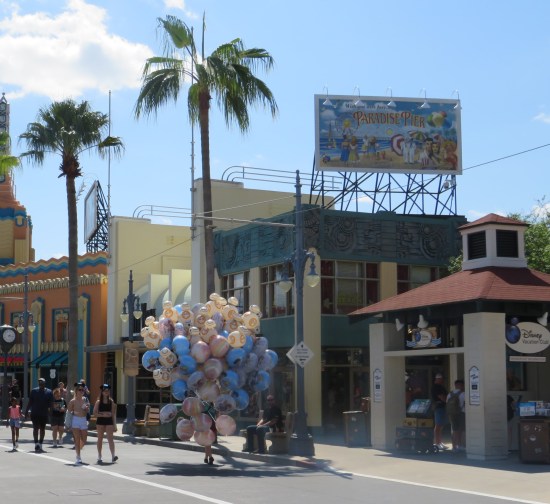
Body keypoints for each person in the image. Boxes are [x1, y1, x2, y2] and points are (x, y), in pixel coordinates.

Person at [25, 377, 53, 452]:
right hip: (35, 413)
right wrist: (26, 411)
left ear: (44, 383)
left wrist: (51, 414)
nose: (41, 384)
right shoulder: (34, 391)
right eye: (39, 382)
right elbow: (30, 402)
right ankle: (36, 443)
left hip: (44, 414)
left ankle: (40, 443)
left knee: (42, 429)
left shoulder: (49, 392)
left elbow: (51, 404)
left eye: (42, 382)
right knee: (35, 429)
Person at [93, 384, 118, 464]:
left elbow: (113, 414)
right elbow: (95, 413)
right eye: (105, 391)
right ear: (102, 392)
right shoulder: (98, 402)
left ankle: (113, 456)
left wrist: (115, 425)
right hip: (100, 421)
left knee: (110, 439)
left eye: (107, 391)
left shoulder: (111, 401)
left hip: (109, 421)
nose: (106, 392)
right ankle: (99, 455)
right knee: (100, 438)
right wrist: (102, 414)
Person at [68, 382, 90, 464]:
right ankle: (78, 456)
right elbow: (69, 412)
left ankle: (77, 450)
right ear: (76, 391)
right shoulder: (72, 401)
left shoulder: (85, 399)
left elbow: (87, 410)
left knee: (84, 440)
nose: (81, 391)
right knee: (77, 439)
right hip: (75, 420)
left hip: (83, 420)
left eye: (82, 390)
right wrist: (68, 424)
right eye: (80, 390)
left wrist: (86, 408)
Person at [446, 379, 465, 452]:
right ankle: (459, 445)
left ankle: (454, 446)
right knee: (460, 430)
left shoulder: (450, 394)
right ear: (461, 385)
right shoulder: (463, 394)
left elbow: (447, 402)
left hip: (451, 413)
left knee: (454, 429)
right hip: (460, 413)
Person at [431, 373, 448, 450]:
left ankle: (440, 442)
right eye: (441, 379)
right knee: (438, 425)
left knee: (441, 425)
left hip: (442, 407)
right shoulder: (436, 387)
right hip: (439, 407)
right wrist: (448, 402)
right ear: (438, 379)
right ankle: (437, 443)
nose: (442, 380)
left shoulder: (441, 386)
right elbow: (441, 397)